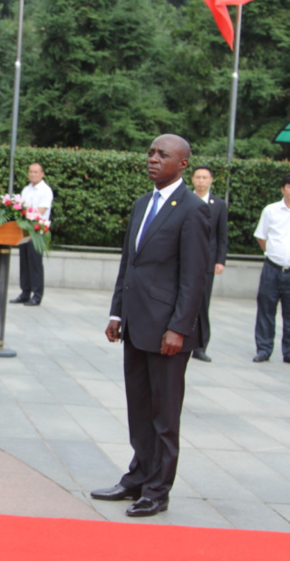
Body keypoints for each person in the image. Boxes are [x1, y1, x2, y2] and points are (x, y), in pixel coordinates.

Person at [91, 134, 209, 517]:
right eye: (151, 153)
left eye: (163, 155)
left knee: (164, 415)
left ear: (183, 164)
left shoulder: (193, 210)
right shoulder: (143, 203)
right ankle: (138, 477)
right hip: (136, 324)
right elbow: (130, 263)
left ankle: (158, 490)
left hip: (168, 332)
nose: (153, 159)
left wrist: (179, 327)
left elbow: (194, 277)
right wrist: (117, 313)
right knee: (139, 408)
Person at [190, 166, 228, 363]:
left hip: (207, 263)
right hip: (186, 260)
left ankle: (200, 346)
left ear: (211, 180)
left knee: (202, 305)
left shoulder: (218, 204)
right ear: (192, 179)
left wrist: (220, 260)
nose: (201, 181)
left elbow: (222, 235)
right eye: (198, 177)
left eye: (205, 177)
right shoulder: (185, 200)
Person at [252, 174, 290, 363]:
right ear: (283, 189)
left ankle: (288, 352)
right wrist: (272, 253)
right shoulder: (271, 210)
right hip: (272, 268)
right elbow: (261, 236)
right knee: (266, 310)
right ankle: (264, 349)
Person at [10, 163, 53, 306]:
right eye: (30, 172)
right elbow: (20, 208)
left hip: (37, 231)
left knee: (35, 264)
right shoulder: (26, 190)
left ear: (42, 174)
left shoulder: (45, 191)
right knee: (24, 263)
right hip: (24, 231)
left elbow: (40, 211)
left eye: (36, 172)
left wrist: (24, 214)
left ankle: (37, 295)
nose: (33, 174)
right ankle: (25, 292)